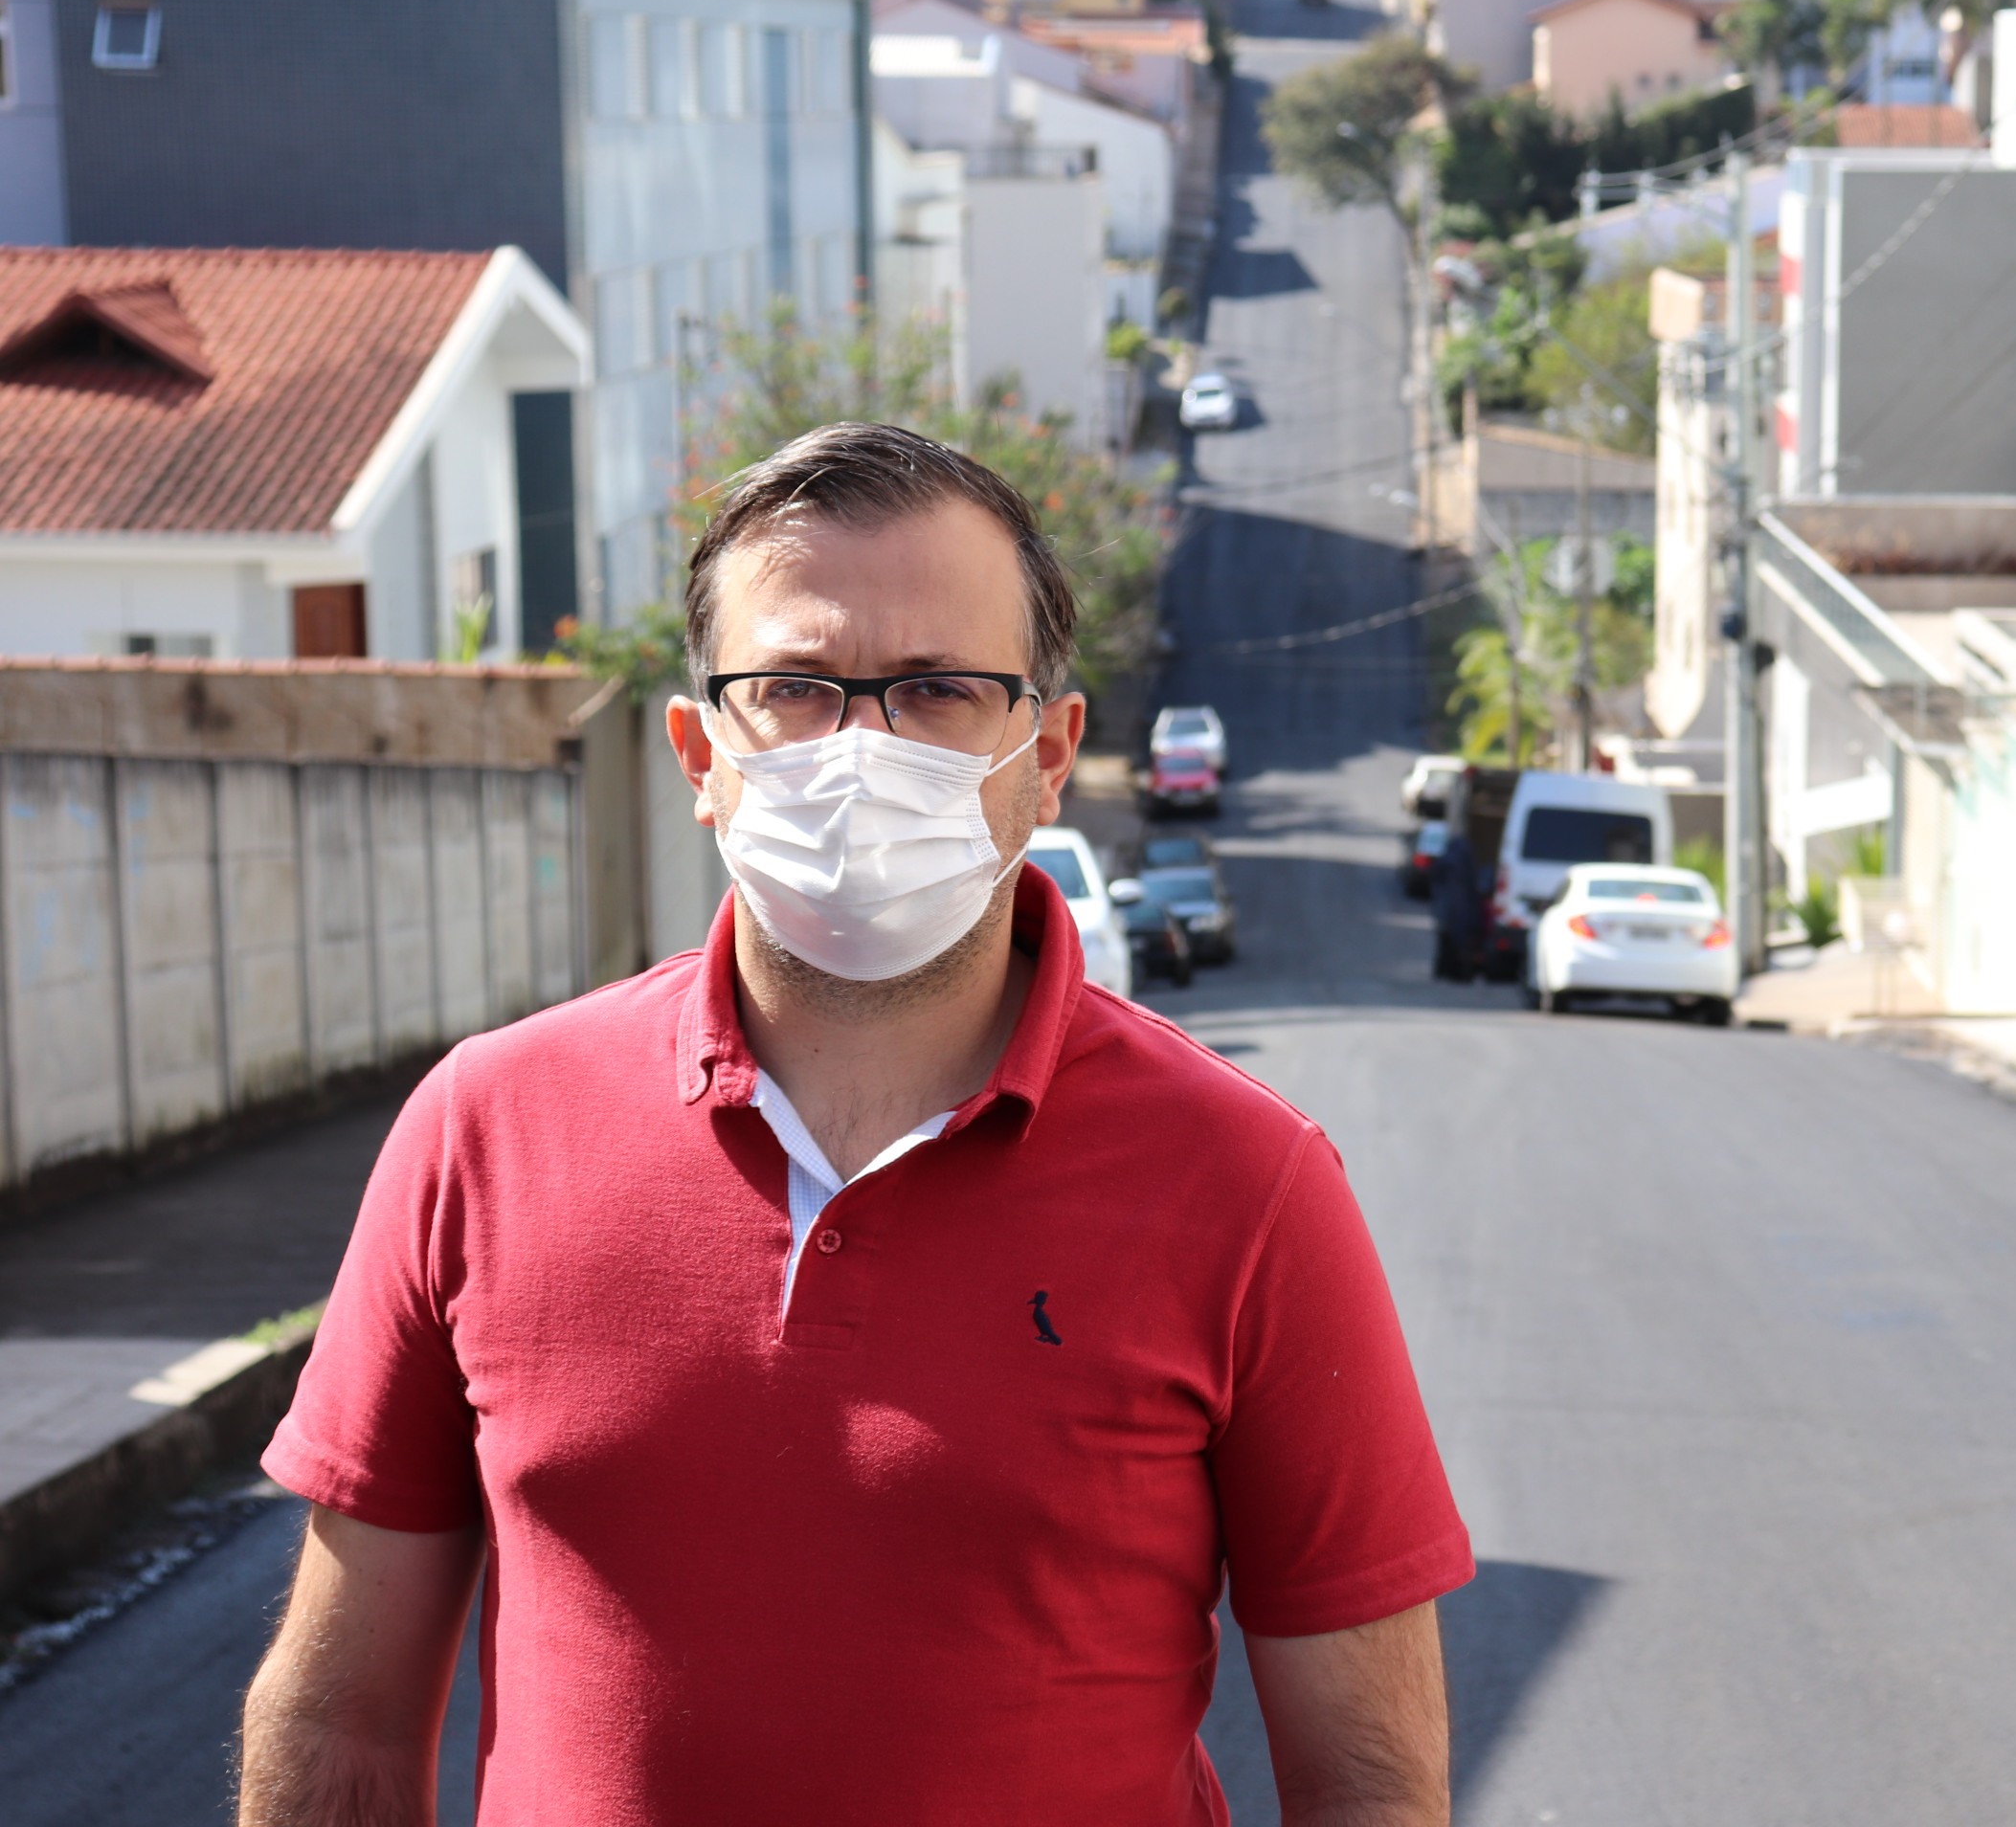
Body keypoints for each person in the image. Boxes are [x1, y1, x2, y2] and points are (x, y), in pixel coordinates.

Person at [241, 422, 1474, 1825]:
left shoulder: (1249, 1184)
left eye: (940, 689)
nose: (862, 751)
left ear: (1049, 755)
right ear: (701, 752)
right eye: (795, 688)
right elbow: (337, 1728)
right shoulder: (485, 1132)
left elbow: (1369, 1786)